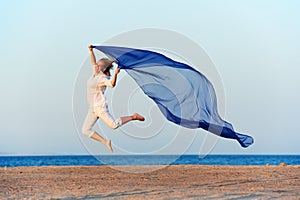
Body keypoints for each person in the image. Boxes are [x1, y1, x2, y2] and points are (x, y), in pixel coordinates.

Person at [82, 45, 145, 152]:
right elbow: (93, 62)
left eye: (99, 66)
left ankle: (133, 116)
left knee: (114, 125)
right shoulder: (95, 74)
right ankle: (105, 141)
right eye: (97, 64)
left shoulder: (102, 78)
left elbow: (111, 84)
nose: (97, 66)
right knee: (85, 130)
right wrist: (91, 51)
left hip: (100, 107)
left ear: (104, 69)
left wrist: (115, 74)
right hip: (92, 108)